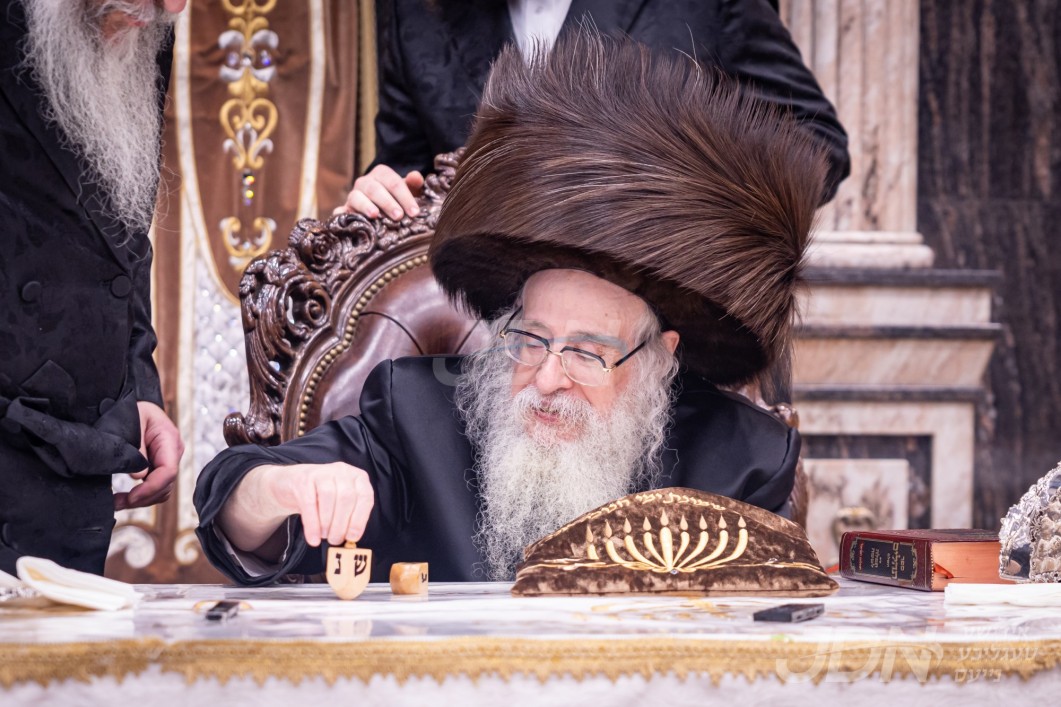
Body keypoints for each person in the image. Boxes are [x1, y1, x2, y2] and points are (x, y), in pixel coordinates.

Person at [195, 32, 826, 585]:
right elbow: (231, 503)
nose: (546, 380)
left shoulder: (742, 456)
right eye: (531, 339)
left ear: (660, 355)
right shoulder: (417, 416)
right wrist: (282, 489)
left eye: (586, 353)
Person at [337, 0, 849, 220]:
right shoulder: (413, 9)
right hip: (472, 345)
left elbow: (814, 142)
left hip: (667, 343)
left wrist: (671, 204)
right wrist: (379, 198)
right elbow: (407, 168)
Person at [0, 0, 187, 575]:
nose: (172, 7)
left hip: (69, 468)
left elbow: (118, 235)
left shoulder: (140, 20)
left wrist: (139, 388)